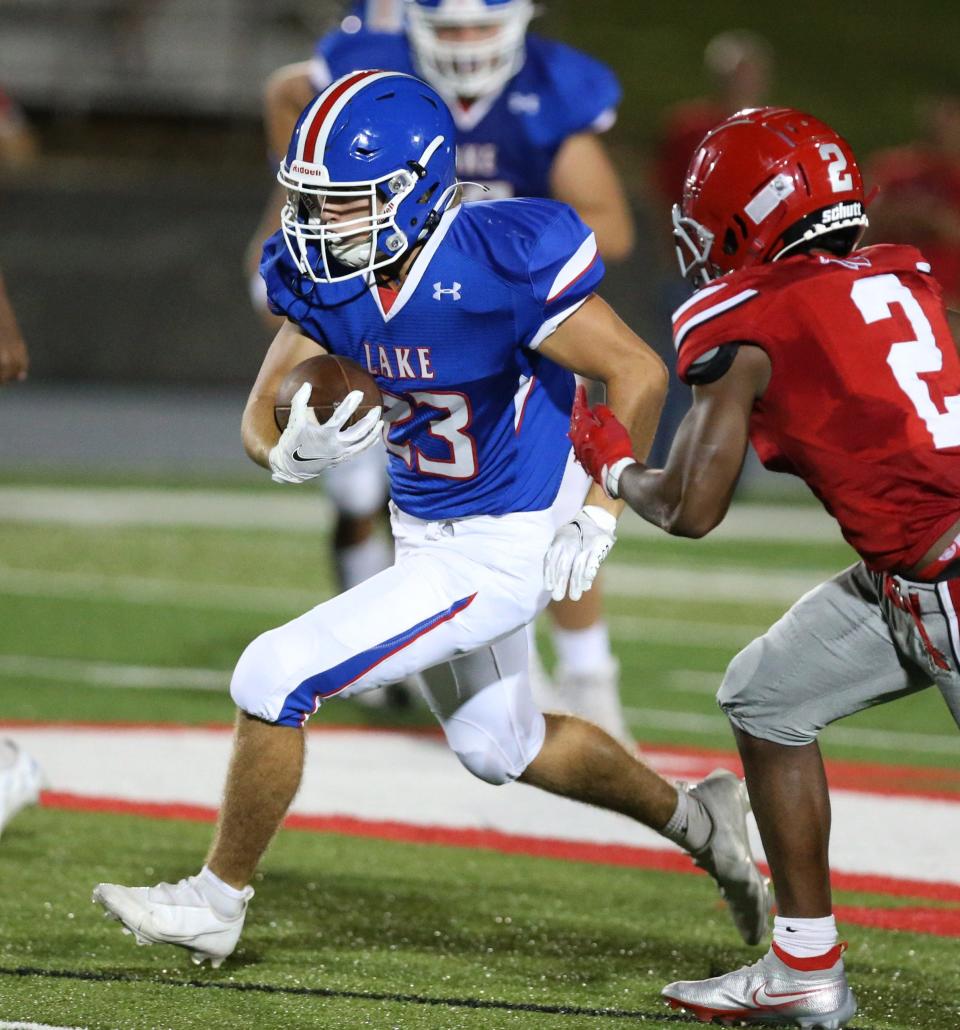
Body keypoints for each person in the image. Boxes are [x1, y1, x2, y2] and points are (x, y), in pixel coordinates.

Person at [92, 71, 769, 968]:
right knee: (501, 744)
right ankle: (701, 816)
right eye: (315, 202)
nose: (318, 224)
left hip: (509, 536)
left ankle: (216, 900)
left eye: (345, 203)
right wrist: (283, 453)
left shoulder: (500, 258)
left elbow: (638, 372)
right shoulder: (328, 276)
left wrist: (601, 508)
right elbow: (262, 409)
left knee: (275, 673)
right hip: (427, 523)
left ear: (414, 191)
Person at [568, 105, 960, 1028]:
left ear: (754, 212)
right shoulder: (902, 274)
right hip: (911, 571)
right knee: (768, 694)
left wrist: (612, 462)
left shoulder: (746, 314)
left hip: (943, 574)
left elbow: (694, 508)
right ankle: (805, 968)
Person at [244, 0, 636, 739]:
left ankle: (589, 672)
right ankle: (393, 644)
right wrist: (297, 204)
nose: (464, 44)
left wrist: (488, 240)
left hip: (499, 314)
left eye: (480, 27)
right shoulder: (374, 70)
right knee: (370, 474)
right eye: (448, 28)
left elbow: (609, 223)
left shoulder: (553, 86)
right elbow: (287, 92)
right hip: (379, 293)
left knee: (557, 483)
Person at [866, 94, 960, 308]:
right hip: (885, 287)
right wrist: (904, 214)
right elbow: (862, 224)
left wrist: (935, 219)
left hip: (947, 299)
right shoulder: (895, 169)